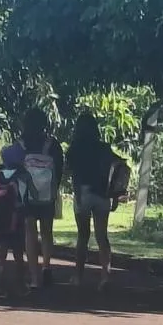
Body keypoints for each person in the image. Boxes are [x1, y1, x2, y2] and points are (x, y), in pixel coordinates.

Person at [66, 112, 127, 290]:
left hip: (82, 193)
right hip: (102, 194)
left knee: (82, 236)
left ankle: (78, 276)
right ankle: (105, 276)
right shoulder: (104, 148)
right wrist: (116, 194)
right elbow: (118, 165)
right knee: (102, 236)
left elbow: (70, 171)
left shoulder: (74, 148)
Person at [18, 108, 64, 289]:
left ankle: (34, 274)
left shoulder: (21, 144)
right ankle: (46, 266)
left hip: (28, 194)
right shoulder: (52, 144)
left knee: (30, 231)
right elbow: (59, 168)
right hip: (47, 194)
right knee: (47, 231)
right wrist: (53, 187)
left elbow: (13, 166)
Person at [0, 143, 33, 300]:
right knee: (18, 254)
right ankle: (21, 286)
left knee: (1, 254)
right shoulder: (23, 175)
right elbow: (28, 197)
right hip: (16, 219)